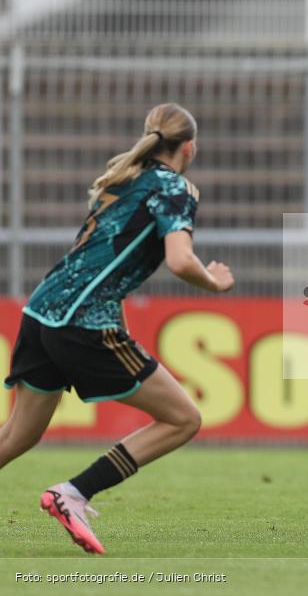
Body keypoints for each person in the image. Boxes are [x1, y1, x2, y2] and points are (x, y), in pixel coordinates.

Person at [1, 103, 234, 555]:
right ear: (190, 147)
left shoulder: (124, 179)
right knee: (183, 419)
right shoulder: (175, 187)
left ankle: (72, 493)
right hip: (84, 322)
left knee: (18, 434)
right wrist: (214, 280)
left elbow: (102, 259)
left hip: (42, 310)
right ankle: (73, 493)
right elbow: (181, 260)